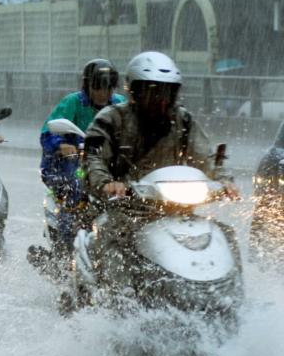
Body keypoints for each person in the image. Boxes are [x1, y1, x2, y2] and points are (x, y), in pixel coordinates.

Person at [83, 51, 237, 290]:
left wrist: (223, 180)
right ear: (135, 91)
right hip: (127, 207)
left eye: (166, 91)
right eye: (152, 90)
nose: (160, 98)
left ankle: (232, 297)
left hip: (175, 207)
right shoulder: (112, 119)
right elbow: (93, 157)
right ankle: (115, 302)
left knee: (225, 233)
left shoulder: (183, 121)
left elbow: (205, 156)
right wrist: (107, 183)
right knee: (111, 237)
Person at [34, 59, 125, 261]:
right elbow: (47, 132)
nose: (104, 93)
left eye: (109, 87)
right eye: (99, 87)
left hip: (105, 168)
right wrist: (61, 145)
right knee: (75, 194)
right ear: (87, 86)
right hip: (69, 168)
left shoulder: (119, 104)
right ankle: (66, 255)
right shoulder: (72, 103)